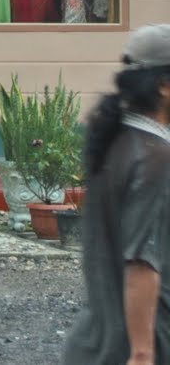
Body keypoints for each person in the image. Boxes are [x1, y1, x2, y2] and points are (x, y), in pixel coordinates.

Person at [64, 24, 170, 365]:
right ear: (164, 86)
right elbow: (142, 261)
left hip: (93, 341)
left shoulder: (113, 142)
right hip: (139, 346)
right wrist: (142, 353)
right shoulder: (155, 158)